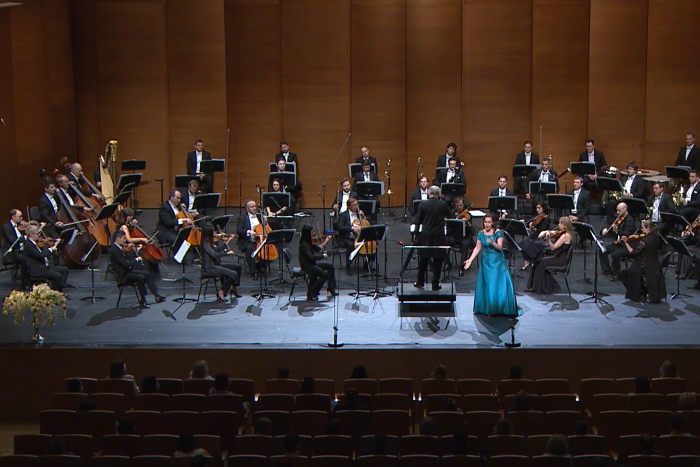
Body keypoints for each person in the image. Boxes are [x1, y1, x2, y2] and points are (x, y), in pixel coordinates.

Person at [464, 214, 521, 316]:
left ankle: (497, 308)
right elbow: (477, 248)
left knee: (495, 284)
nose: (487, 224)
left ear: (493, 223)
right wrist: (470, 260)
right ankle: (489, 308)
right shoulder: (481, 233)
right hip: (486, 261)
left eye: (489, 222)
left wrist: (492, 243)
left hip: (497, 261)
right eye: (485, 222)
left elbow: (499, 247)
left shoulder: (498, 233)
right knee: (488, 285)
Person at [110, 230, 166, 308]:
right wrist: (136, 260)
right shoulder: (114, 251)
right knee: (141, 277)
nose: (125, 240)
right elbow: (125, 264)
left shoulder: (119, 248)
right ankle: (143, 300)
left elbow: (128, 260)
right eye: (123, 238)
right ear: (117, 238)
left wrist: (136, 251)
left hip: (127, 271)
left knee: (146, 274)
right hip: (123, 276)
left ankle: (156, 295)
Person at [617, 220, 666, 303]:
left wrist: (626, 242)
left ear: (647, 228)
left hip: (644, 266)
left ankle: (639, 291)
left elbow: (633, 253)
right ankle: (642, 289)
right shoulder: (656, 238)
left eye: (642, 228)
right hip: (654, 265)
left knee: (622, 273)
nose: (641, 229)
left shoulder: (644, 241)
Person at [412, 186, 449, 290]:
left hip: (426, 235)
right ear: (439, 194)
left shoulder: (423, 204)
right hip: (438, 235)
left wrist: (416, 233)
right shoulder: (443, 204)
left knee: (424, 258)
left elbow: (418, 220)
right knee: (438, 260)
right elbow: (449, 214)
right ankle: (435, 284)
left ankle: (420, 282)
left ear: (429, 194)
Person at [526, 217, 573, 294]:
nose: (559, 225)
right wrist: (547, 232)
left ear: (564, 225)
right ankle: (535, 286)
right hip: (558, 257)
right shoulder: (564, 234)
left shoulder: (565, 236)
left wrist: (548, 240)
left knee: (542, 263)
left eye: (560, 223)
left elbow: (553, 248)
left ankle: (540, 287)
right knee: (538, 262)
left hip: (560, 259)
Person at [200, 223, 242, 301]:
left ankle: (234, 289)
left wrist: (228, 241)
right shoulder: (205, 244)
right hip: (210, 268)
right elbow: (214, 254)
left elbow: (218, 250)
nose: (215, 233)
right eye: (213, 231)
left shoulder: (210, 242)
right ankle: (222, 292)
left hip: (216, 264)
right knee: (233, 274)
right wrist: (227, 253)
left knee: (237, 267)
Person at [22, 224, 69, 292]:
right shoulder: (28, 246)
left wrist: (55, 244)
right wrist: (51, 249)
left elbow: (43, 251)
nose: (39, 235)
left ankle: (59, 290)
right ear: (31, 235)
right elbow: (41, 255)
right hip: (37, 270)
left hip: (44, 266)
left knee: (64, 270)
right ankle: (52, 292)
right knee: (57, 276)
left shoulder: (34, 243)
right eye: (37, 233)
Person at [117, 207, 161, 278]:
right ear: (125, 216)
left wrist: (135, 225)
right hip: (127, 245)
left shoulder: (129, 224)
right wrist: (142, 239)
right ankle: (146, 273)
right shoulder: (124, 227)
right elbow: (129, 239)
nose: (131, 217)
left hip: (133, 244)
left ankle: (152, 273)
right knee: (143, 253)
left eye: (131, 215)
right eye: (129, 216)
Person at [298, 224, 337, 300]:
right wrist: (323, 256)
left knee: (330, 267)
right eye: (312, 232)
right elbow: (311, 257)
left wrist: (326, 241)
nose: (314, 234)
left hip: (312, 264)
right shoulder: (304, 245)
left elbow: (317, 249)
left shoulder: (309, 242)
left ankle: (331, 288)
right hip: (307, 266)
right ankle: (313, 293)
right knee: (324, 275)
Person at [599, 202, 636, 277]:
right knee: (602, 250)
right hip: (618, 243)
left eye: (619, 210)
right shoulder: (619, 218)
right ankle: (607, 271)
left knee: (615, 254)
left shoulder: (629, 220)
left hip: (626, 245)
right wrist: (606, 229)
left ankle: (617, 273)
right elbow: (614, 230)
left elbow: (626, 233)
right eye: (617, 210)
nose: (617, 212)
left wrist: (617, 230)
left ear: (624, 209)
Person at [337, 197, 371, 275]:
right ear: (349, 206)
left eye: (357, 205)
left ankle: (366, 265)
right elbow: (339, 227)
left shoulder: (359, 214)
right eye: (354, 205)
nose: (356, 207)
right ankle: (348, 266)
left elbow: (367, 224)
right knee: (350, 244)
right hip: (347, 237)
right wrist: (352, 228)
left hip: (360, 236)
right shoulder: (343, 215)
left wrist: (363, 217)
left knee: (372, 244)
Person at [237, 199, 265, 280]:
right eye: (252, 207)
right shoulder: (242, 218)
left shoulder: (260, 216)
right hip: (249, 240)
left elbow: (265, 229)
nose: (254, 208)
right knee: (249, 249)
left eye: (255, 206)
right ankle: (254, 272)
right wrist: (249, 232)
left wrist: (266, 222)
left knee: (270, 250)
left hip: (260, 240)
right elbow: (239, 231)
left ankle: (260, 266)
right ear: (247, 208)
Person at [519, 201, 551, 270]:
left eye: (539, 208)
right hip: (534, 237)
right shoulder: (537, 217)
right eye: (536, 208)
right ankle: (527, 260)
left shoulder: (547, 218)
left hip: (542, 239)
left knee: (528, 245)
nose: (537, 209)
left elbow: (540, 230)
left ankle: (533, 261)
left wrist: (533, 227)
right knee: (521, 243)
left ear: (543, 208)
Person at [448, 196, 475, 277]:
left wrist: (467, 223)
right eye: (457, 206)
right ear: (454, 206)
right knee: (443, 241)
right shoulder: (451, 213)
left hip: (465, 237)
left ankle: (462, 267)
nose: (459, 207)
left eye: (461, 205)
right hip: (454, 236)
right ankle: (447, 263)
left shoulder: (468, 215)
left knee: (465, 244)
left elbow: (472, 232)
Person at [3, 209, 29, 290]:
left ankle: (34, 278)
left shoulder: (20, 225)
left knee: (34, 255)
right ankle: (24, 283)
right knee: (25, 260)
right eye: (19, 217)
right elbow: (13, 241)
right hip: (13, 252)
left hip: (23, 249)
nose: (21, 218)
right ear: (13, 217)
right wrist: (24, 238)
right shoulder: (6, 227)